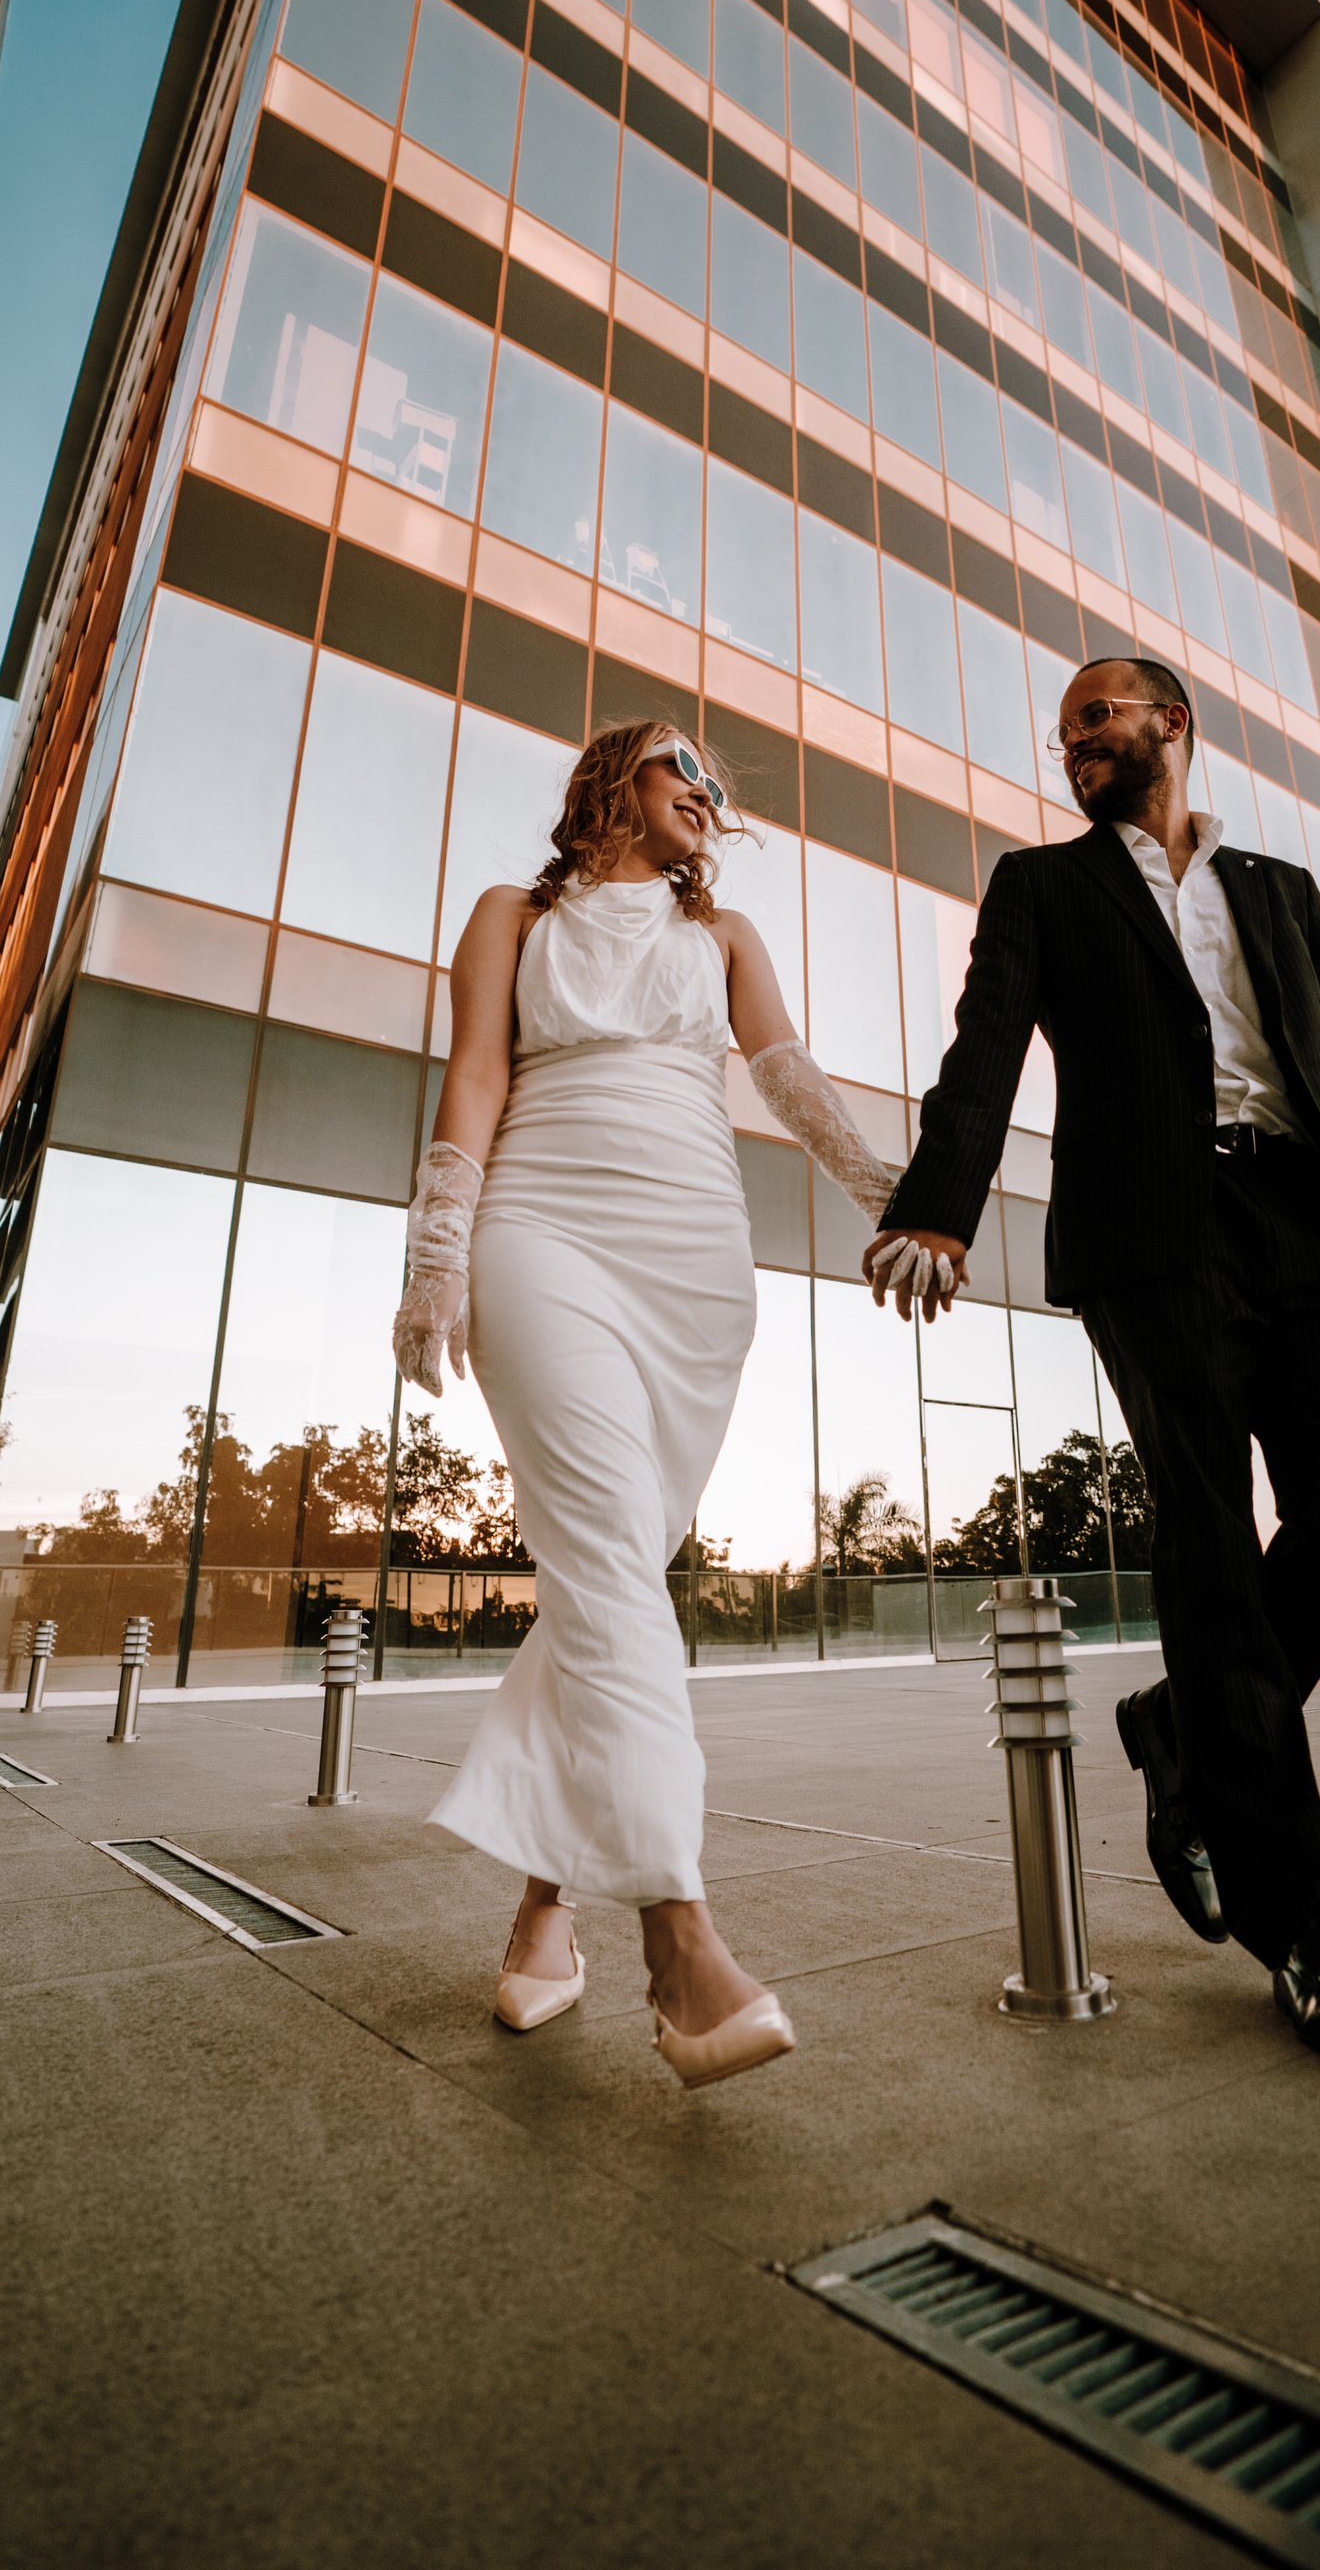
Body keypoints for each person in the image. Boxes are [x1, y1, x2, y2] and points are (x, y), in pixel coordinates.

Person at [865, 657, 1320, 2061]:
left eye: (1099, 718)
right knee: (1210, 1543)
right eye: (1064, 733)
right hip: (1156, 1236)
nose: (1076, 743)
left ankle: (1186, 1727)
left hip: (1312, 1217)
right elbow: (985, 1044)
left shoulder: (1284, 890)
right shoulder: (1043, 887)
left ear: (1171, 724)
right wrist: (939, 1204)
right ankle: (1299, 1915)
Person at [392, 720, 936, 2088]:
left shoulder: (731, 935)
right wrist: (438, 1255)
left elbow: (797, 1091)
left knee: (607, 1579)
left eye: (721, 784)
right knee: (611, 1578)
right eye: (685, 766)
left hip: (696, 1267)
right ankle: (679, 1940)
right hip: (542, 1234)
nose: (709, 791)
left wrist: (904, 1202)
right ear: (614, 781)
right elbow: (475, 1072)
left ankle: (542, 1905)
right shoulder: (512, 914)